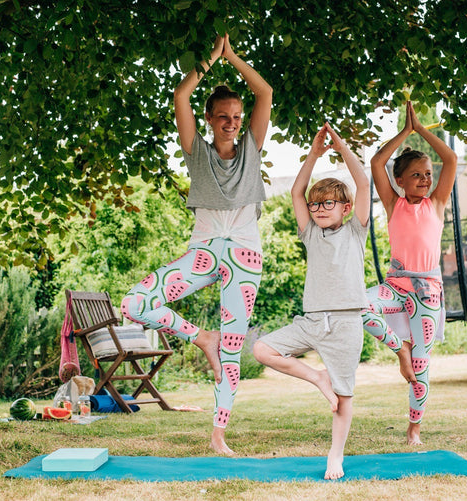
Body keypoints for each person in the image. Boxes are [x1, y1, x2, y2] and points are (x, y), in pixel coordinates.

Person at [121, 33, 272, 456]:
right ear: (209, 118)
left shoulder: (253, 149)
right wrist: (211, 59)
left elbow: (265, 91)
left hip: (244, 258)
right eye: (223, 115)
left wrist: (234, 58)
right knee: (134, 303)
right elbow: (180, 94)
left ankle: (219, 434)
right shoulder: (196, 152)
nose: (232, 122)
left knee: (233, 349)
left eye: (237, 115)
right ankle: (201, 337)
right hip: (203, 254)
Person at [253, 122, 397, 480]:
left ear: (345, 207)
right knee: (262, 350)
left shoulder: (355, 231)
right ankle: (317, 378)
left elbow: (363, 183)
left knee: (344, 395)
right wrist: (314, 155)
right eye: (315, 204)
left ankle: (336, 456)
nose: (318, 209)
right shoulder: (310, 235)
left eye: (327, 203)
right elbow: (297, 192)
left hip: (346, 322)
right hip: (312, 321)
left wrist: (340, 146)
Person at [365, 101, 457, 446]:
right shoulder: (393, 203)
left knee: (422, 368)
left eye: (427, 174)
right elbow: (377, 162)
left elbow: (450, 160)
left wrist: (423, 130)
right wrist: (404, 132)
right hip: (395, 286)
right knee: (359, 303)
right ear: (400, 180)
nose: (425, 179)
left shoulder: (437, 203)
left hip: (428, 293)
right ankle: (399, 349)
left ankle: (414, 428)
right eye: (416, 174)